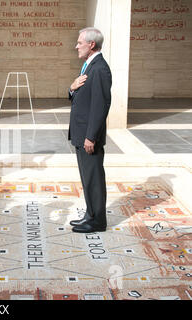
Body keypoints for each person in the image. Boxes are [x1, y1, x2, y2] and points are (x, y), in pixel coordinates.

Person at [68, 27, 112, 233]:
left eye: (79, 43)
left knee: (94, 178)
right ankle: (90, 214)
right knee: (87, 178)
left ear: (91, 45)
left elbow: (100, 106)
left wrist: (90, 137)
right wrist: (72, 87)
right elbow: (78, 95)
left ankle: (98, 221)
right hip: (81, 134)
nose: (76, 46)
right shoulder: (88, 65)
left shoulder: (100, 69)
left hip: (88, 137)